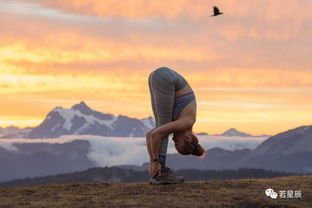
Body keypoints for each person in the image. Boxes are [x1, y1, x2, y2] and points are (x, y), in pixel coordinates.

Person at [146, 66, 207, 185]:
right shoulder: (187, 122)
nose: (173, 139)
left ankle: (157, 174)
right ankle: (161, 174)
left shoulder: (184, 122)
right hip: (166, 79)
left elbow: (150, 136)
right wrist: (155, 161)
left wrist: (154, 164)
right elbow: (157, 135)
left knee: (161, 129)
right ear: (187, 138)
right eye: (177, 142)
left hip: (158, 75)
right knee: (162, 132)